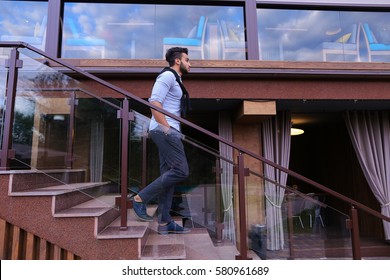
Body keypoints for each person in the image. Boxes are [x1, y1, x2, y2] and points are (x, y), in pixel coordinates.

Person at [131, 47, 191, 234]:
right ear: (178, 61)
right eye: (188, 60)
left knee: (170, 177)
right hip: (165, 130)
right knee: (182, 171)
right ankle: (140, 198)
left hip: (168, 130)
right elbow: (154, 102)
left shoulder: (176, 79)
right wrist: (167, 128)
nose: (191, 63)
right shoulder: (167, 76)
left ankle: (165, 222)